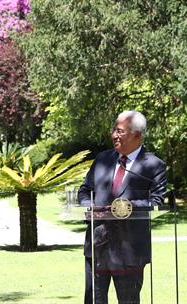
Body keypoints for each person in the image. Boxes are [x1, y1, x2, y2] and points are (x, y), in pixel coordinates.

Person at [78, 110, 166, 304]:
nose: (114, 135)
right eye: (114, 130)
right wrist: (89, 207)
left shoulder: (154, 165)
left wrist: (127, 207)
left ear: (136, 135)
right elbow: (84, 191)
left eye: (120, 131)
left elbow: (157, 201)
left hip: (130, 251)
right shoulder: (102, 159)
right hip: (97, 246)